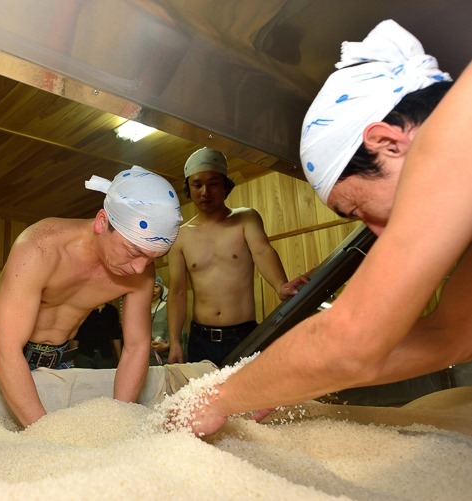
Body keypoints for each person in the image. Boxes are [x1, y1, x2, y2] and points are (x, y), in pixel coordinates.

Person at [179, 19, 472, 437]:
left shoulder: (459, 125)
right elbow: (452, 335)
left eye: (359, 208)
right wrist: (282, 382)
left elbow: (353, 340)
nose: (379, 231)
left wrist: (218, 397)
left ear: (388, 142)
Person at [0, 166, 183, 427]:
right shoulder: (40, 246)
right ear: (102, 222)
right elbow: (6, 350)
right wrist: (44, 433)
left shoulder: (140, 269)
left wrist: (119, 417)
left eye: (153, 258)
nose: (140, 269)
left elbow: (135, 347)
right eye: (133, 251)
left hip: (59, 360)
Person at [167, 147, 307, 367]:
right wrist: (175, 341)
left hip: (243, 336)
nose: (205, 191)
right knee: (205, 401)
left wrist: (280, 285)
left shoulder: (245, 219)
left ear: (225, 185)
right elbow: (177, 291)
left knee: (251, 400)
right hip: (199, 339)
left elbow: (262, 251)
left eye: (213, 183)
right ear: (188, 188)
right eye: (197, 184)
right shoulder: (180, 235)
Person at [72, 302, 123, 369]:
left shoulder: (112, 310)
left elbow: (115, 335)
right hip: (84, 354)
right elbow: (76, 336)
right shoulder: (84, 309)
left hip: (105, 355)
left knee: (105, 378)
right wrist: (71, 357)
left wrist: (120, 359)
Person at [150, 275, 170, 365]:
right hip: (145, 360)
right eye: (150, 286)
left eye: (156, 286)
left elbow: (181, 334)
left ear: (161, 289)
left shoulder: (169, 307)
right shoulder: (140, 310)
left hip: (165, 358)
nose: (153, 290)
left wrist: (168, 345)